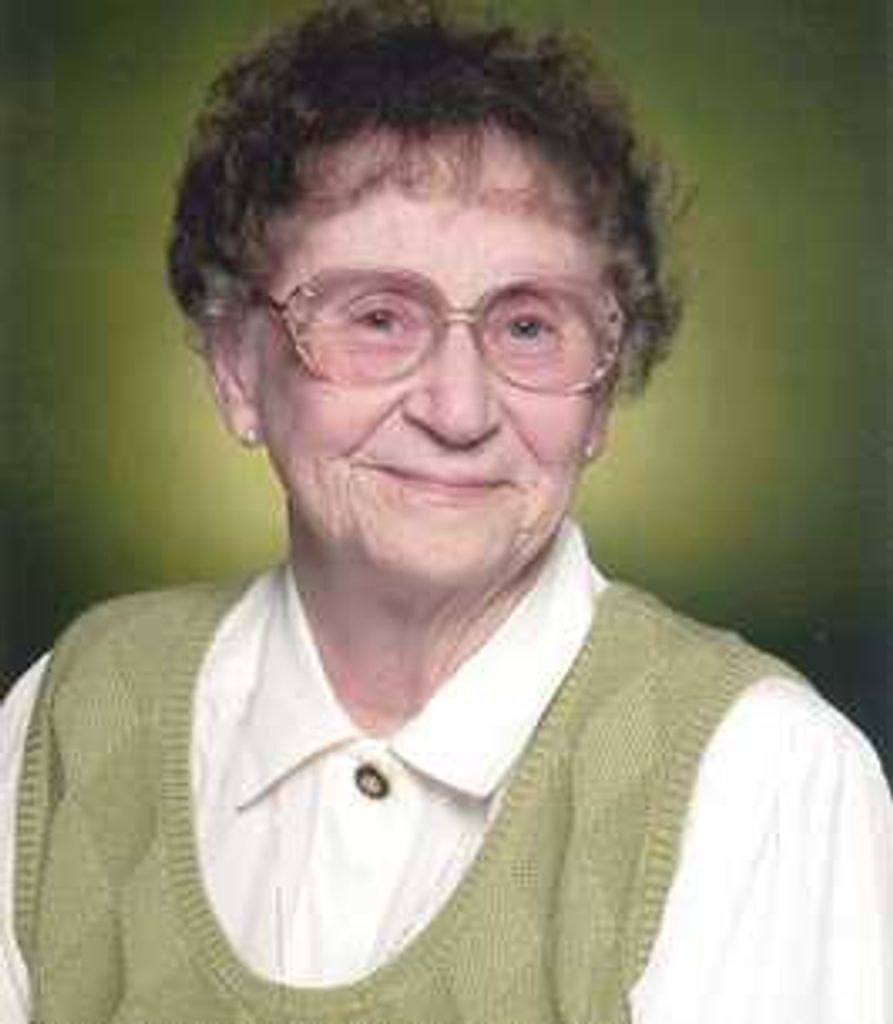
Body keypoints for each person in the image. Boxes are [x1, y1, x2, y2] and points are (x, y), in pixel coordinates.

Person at [1, 2, 890, 1021]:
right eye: (378, 316)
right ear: (237, 369)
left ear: (601, 396)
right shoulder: (72, 711)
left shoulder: (760, 774)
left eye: (528, 326)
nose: (458, 410)